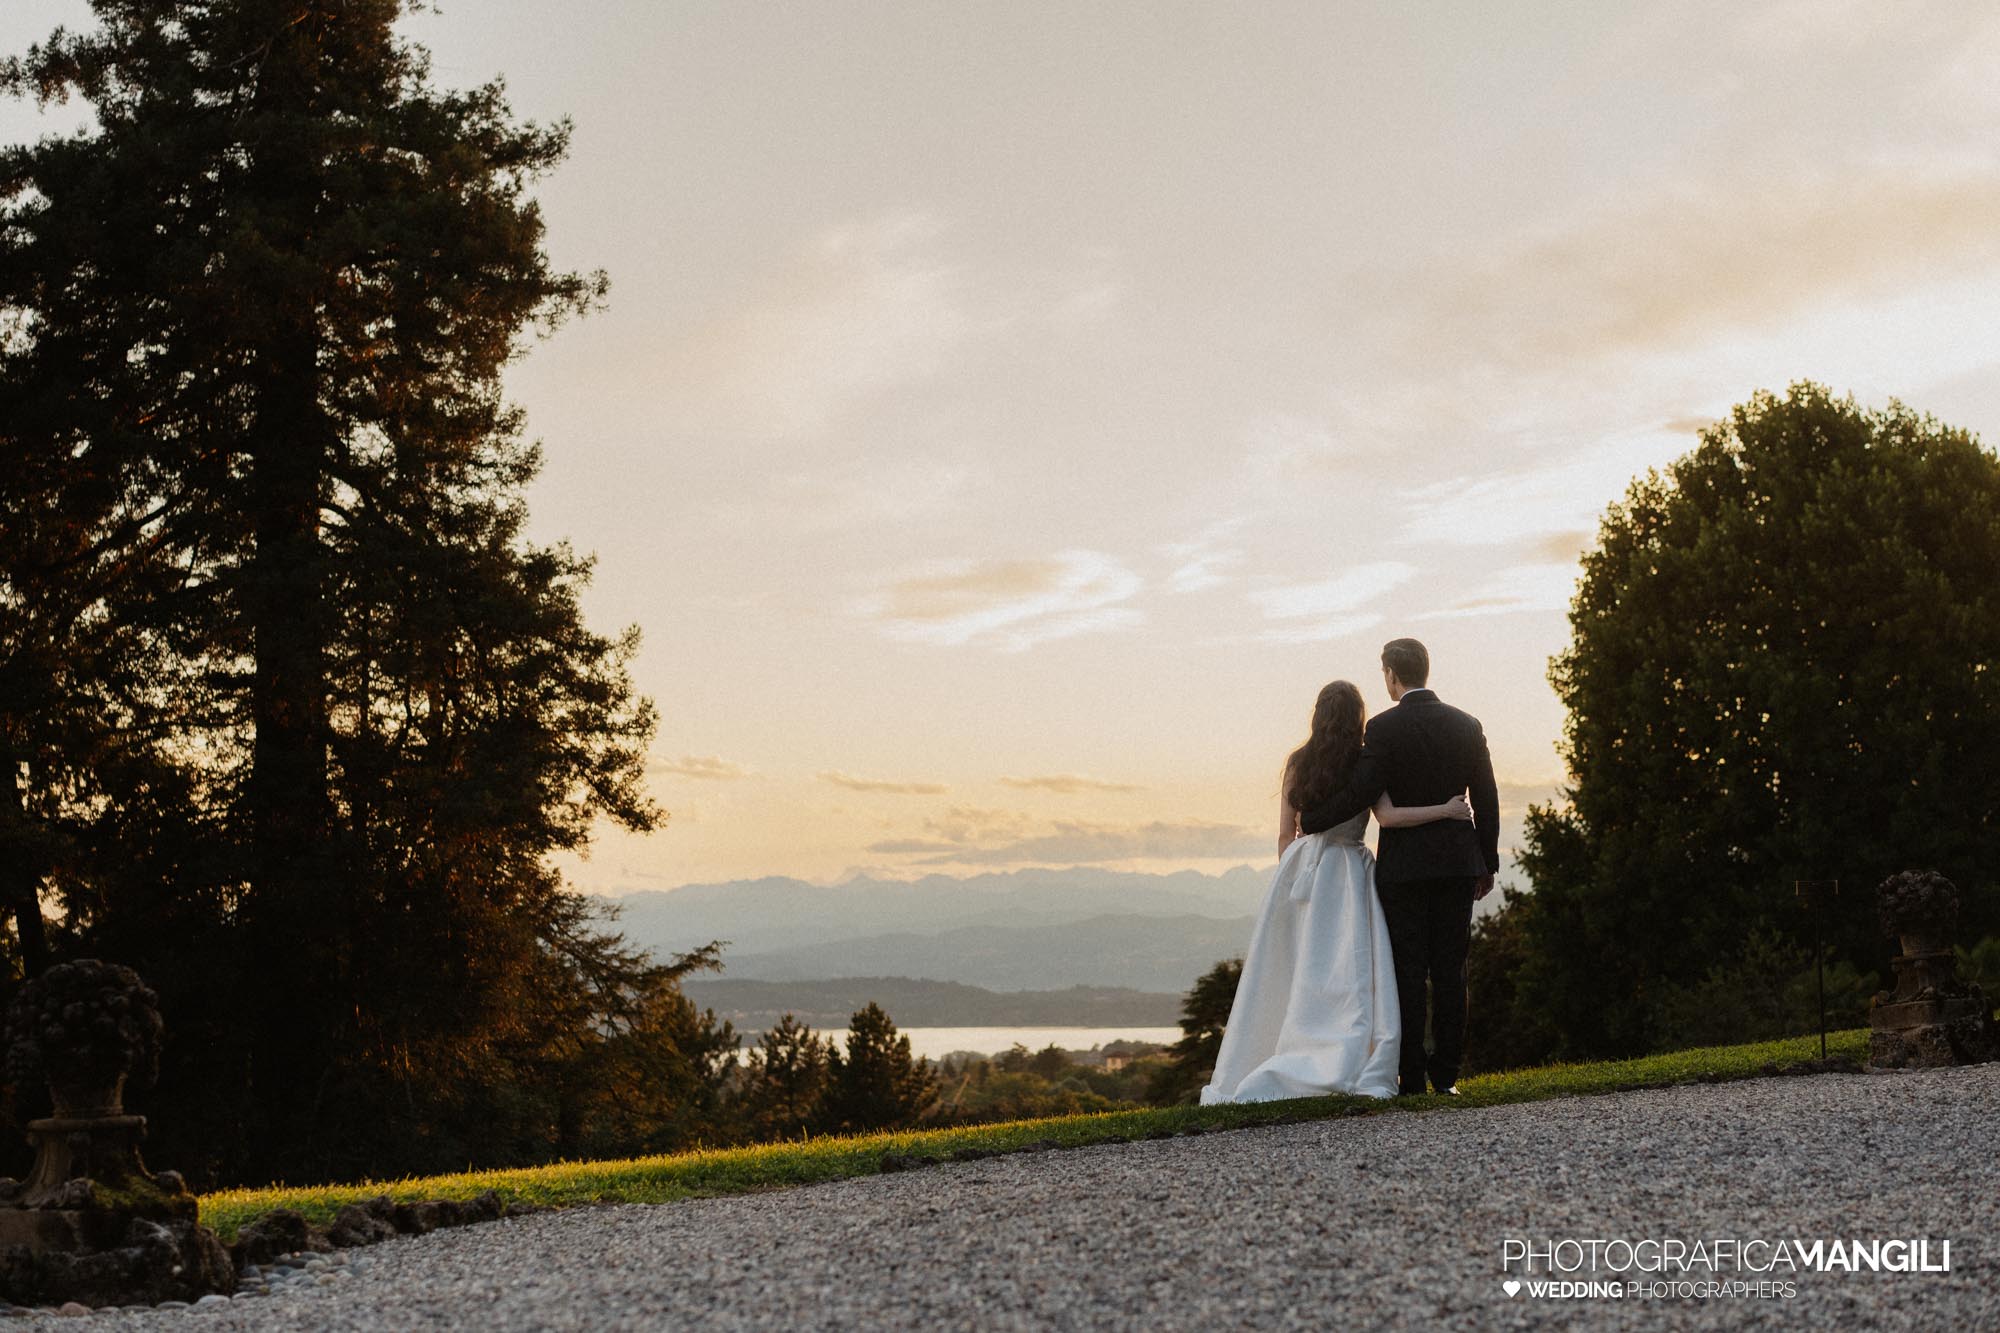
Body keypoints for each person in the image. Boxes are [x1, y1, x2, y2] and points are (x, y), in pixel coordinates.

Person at [1200, 678, 1473, 1104]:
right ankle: (1351, 1051)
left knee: (1298, 965)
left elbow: (1285, 833)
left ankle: (1293, 1043)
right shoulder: (1365, 763)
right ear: (1357, 718)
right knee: (1352, 968)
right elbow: (1388, 816)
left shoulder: (1298, 761)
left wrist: (1291, 877)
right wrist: (1447, 810)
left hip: (1303, 871)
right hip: (1349, 869)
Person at [1298, 638, 1500, 1097]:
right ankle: (1446, 1078)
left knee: (1407, 972)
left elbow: (1361, 792)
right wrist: (1487, 862)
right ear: (1425, 671)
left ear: (1392, 674)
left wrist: (1311, 820)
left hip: (1404, 871)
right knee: (1452, 971)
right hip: (1456, 866)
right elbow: (1486, 800)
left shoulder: (1384, 730)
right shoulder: (1468, 725)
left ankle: (1411, 1077)